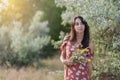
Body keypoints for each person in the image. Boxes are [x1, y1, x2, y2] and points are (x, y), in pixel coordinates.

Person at [60, 16, 94, 80]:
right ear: (73, 27)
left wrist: (88, 77)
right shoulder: (67, 40)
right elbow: (62, 56)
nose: (80, 26)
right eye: (77, 24)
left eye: (82, 23)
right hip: (69, 77)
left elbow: (89, 65)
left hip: (83, 77)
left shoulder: (90, 44)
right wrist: (64, 61)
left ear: (85, 25)